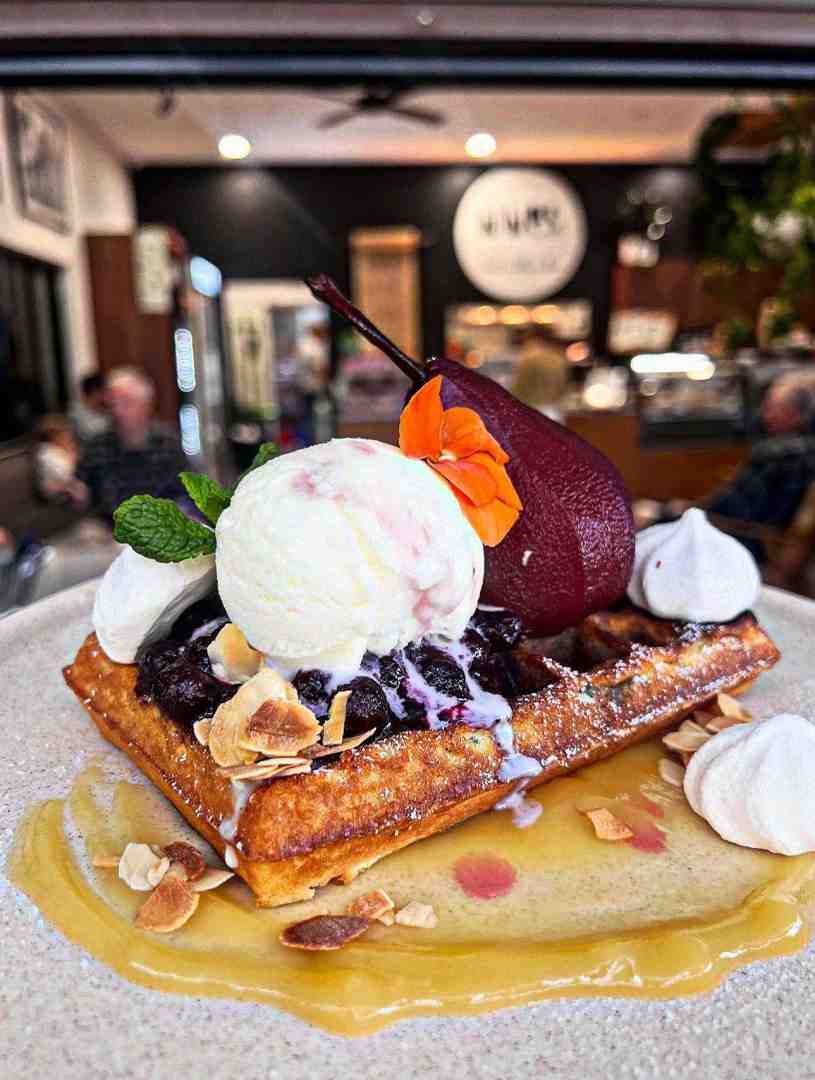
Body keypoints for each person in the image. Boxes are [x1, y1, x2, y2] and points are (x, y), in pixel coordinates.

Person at [77, 367, 186, 521]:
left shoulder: (169, 443)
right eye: (112, 403)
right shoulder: (97, 446)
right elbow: (81, 492)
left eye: (126, 403)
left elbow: (186, 496)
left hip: (158, 531)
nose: (118, 411)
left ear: (146, 405)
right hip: (109, 534)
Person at [32, 414, 89, 508]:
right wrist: (72, 455)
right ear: (54, 437)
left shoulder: (57, 449)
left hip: (66, 484)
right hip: (57, 491)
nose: (69, 437)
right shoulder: (46, 454)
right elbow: (66, 475)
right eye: (65, 434)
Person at [69, 372, 110, 440]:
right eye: (104, 392)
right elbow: (89, 432)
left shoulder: (106, 410)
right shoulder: (75, 414)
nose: (107, 396)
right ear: (95, 393)